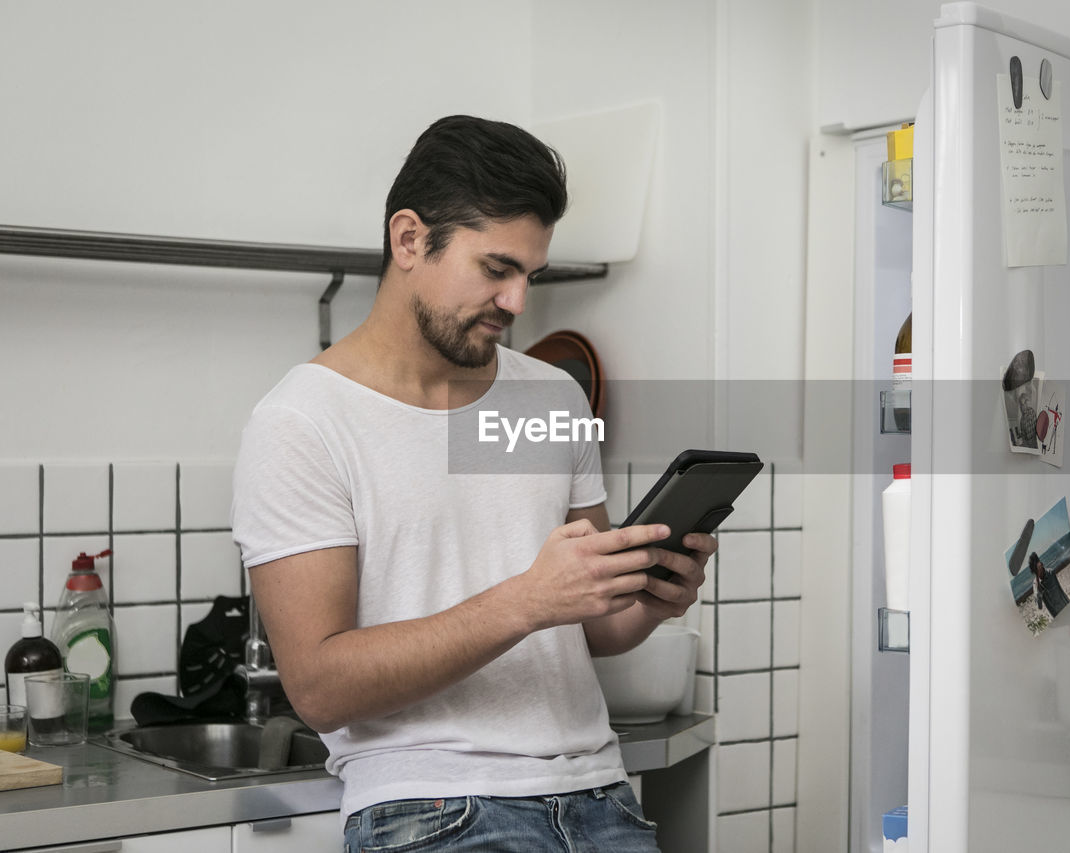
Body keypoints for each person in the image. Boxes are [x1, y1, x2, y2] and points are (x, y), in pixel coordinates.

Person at [229, 115, 714, 852]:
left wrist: (653, 595)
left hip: (601, 799)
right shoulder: (301, 421)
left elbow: (597, 625)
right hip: (431, 811)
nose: (518, 301)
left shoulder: (555, 399)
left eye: (530, 275)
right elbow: (320, 685)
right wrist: (525, 599)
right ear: (409, 240)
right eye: (496, 269)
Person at [1029, 551, 1069, 617]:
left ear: (1041, 564)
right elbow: (1040, 606)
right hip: (1057, 614)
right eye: (1035, 570)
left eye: (1038, 568)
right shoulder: (1035, 584)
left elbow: (1060, 590)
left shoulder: (1051, 572)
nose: (1038, 571)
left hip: (1066, 604)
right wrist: (1038, 585)